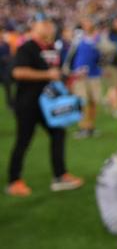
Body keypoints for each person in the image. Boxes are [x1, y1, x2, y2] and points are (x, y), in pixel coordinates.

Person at [6, 14, 84, 196]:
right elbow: (18, 72)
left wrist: (68, 78)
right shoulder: (26, 47)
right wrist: (48, 75)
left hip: (48, 104)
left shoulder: (51, 47)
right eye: (44, 24)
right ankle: (13, 180)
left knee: (58, 133)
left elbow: (54, 73)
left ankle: (60, 175)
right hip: (28, 103)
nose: (49, 27)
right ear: (33, 26)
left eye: (50, 24)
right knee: (23, 140)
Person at [71, 17, 103, 138]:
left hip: (94, 73)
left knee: (93, 101)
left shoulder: (98, 38)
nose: (87, 24)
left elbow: (102, 55)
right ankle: (82, 127)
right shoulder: (78, 37)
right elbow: (71, 54)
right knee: (83, 101)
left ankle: (90, 126)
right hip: (80, 75)